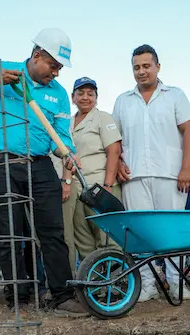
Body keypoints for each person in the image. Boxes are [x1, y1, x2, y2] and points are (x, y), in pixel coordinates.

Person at [0, 28, 87, 317]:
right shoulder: (4, 72)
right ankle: (19, 297)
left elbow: (61, 134)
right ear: (37, 55)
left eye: (60, 68)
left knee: (51, 230)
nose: (56, 73)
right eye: (53, 66)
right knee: (8, 232)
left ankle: (61, 294)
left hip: (39, 164)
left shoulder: (59, 95)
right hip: (1, 163)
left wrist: (67, 153)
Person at [113, 44, 190, 302]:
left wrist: (186, 167)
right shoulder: (123, 101)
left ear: (158, 67)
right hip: (134, 176)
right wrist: (117, 165)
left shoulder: (175, 95)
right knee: (141, 232)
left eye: (146, 66)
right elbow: (114, 139)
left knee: (171, 232)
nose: (141, 72)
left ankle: (176, 283)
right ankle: (147, 284)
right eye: (136, 67)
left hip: (170, 174)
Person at [63, 77, 123, 266]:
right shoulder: (67, 123)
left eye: (90, 94)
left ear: (96, 98)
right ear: (73, 98)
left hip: (100, 185)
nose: (85, 97)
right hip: (77, 187)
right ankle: (94, 286)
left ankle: (115, 284)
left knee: (107, 237)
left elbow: (114, 150)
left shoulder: (102, 117)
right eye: (80, 93)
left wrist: (107, 185)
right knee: (83, 239)